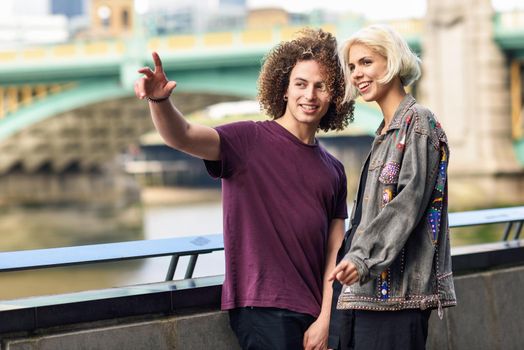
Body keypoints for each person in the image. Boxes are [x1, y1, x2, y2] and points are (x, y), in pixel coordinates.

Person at [134, 28, 354, 350]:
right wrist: (160, 100)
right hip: (263, 309)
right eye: (301, 84)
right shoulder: (248, 141)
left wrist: (326, 319)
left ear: (333, 96)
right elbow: (182, 135)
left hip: (316, 316)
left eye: (321, 87)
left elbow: (334, 257)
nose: (310, 95)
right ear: (284, 89)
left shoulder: (333, 170)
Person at [328, 24, 457, 350]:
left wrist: (361, 259)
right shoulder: (384, 132)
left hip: (397, 300)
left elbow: (407, 203)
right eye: (353, 66)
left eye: (367, 62)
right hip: (362, 293)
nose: (357, 73)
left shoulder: (418, 123)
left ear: (393, 60)